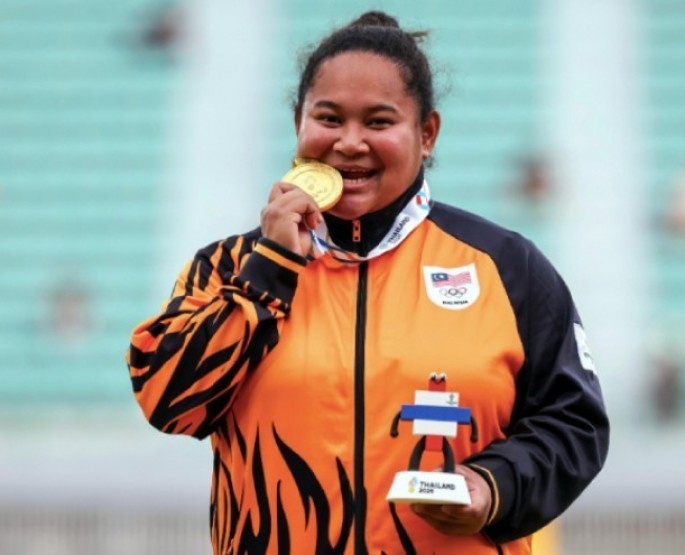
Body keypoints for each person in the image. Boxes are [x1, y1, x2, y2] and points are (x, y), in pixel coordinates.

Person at [127, 11, 609, 555]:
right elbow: (168, 402)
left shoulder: (506, 266)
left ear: (427, 133)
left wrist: (492, 485)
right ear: (298, 123)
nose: (350, 143)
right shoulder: (226, 267)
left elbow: (575, 425)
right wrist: (270, 271)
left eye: (379, 122)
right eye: (329, 118)